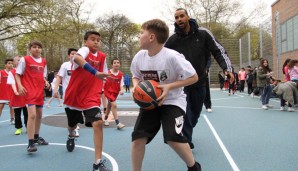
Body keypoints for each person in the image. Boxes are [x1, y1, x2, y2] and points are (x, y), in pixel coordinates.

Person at [130, 19, 201, 171]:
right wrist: (137, 88)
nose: (139, 36)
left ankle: (193, 167)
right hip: (150, 103)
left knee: (173, 139)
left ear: (151, 37)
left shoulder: (172, 57)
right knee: (137, 140)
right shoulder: (139, 56)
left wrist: (170, 86)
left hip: (173, 101)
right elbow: (135, 76)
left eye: (141, 33)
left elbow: (194, 77)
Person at [164, 8, 233, 149]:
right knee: (186, 112)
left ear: (188, 17)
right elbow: (162, 58)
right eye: (176, 17)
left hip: (199, 81)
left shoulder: (203, 34)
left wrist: (227, 69)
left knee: (194, 114)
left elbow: (218, 51)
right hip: (181, 84)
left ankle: (187, 130)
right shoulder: (172, 40)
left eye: (182, 16)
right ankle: (186, 141)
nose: (179, 19)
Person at [63, 31, 111, 171]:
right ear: (85, 42)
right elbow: (77, 59)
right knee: (72, 125)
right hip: (74, 96)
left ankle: (97, 162)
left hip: (91, 97)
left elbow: (104, 76)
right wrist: (95, 72)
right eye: (92, 39)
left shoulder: (102, 57)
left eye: (98, 40)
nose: (96, 42)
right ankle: (71, 134)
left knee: (98, 123)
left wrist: (106, 88)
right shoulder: (83, 51)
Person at [15, 41, 50, 153]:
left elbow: (42, 75)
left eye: (39, 47)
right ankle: (30, 143)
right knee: (32, 115)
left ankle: (36, 137)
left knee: (39, 115)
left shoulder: (43, 61)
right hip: (29, 90)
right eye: (34, 47)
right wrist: (20, 86)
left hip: (39, 91)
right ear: (30, 49)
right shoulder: (25, 59)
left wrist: (46, 82)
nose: (37, 49)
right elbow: (17, 74)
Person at [53, 48, 80, 137]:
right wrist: (56, 89)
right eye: (72, 53)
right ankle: (72, 128)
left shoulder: (81, 65)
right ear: (69, 56)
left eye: (76, 54)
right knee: (71, 112)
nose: (74, 55)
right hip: (68, 94)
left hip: (79, 94)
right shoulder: (65, 65)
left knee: (77, 112)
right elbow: (59, 77)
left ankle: (74, 127)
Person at [7, 56, 28, 135]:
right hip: (17, 95)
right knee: (17, 114)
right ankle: (18, 128)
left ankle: (27, 126)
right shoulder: (12, 72)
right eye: (17, 60)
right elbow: (12, 82)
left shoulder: (25, 71)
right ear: (14, 62)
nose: (19, 61)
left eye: (20, 60)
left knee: (27, 113)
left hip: (26, 95)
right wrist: (16, 91)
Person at [103, 58, 125, 129]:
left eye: (118, 62)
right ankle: (117, 123)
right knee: (114, 105)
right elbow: (103, 81)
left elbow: (121, 84)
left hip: (115, 92)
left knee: (109, 105)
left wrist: (121, 90)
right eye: (115, 63)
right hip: (108, 91)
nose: (116, 64)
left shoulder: (121, 74)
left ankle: (106, 119)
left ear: (120, 64)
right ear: (112, 65)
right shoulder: (107, 72)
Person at [0, 58, 15, 124]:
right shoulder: (1, 72)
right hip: (3, 93)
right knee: (1, 106)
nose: (10, 64)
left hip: (11, 93)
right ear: (5, 65)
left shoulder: (14, 72)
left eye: (12, 63)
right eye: (9, 63)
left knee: (12, 106)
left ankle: (12, 119)